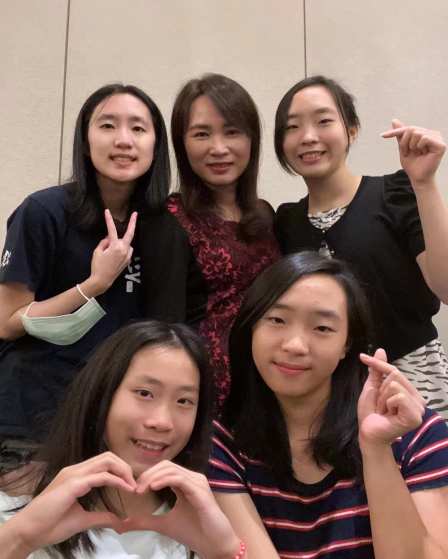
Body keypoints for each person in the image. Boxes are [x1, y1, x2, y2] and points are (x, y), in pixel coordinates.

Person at [207, 252, 448, 559]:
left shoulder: (417, 434)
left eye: (322, 328)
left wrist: (376, 451)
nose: (294, 345)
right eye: (277, 320)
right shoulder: (224, 444)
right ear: (251, 326)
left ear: (347, 343)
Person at [0, 84, 171, 458]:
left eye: (138, 128)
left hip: (112, 420)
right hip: (33, 416)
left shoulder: (162, 224)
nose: (123, 139)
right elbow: (7, 322)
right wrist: (95, 284)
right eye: (107, 125)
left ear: (156, 146)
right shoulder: (43, 211)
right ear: (85, 142)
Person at [273, 75, 448, 420]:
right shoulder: (286, 223)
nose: (308, 137)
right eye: (292, 127)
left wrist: (424, 183)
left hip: (415, 384)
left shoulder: (395, 193)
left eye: (323, 121)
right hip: (331, 397)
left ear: (351, 130)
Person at [0, 320, 246, 559]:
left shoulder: (204, 524)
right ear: (100, 395)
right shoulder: (21, 515)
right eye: (144, 393)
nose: (162, 422)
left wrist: (225, 554)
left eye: (184, 401)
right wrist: (19, 539)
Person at [140, 73, 281, 408]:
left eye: (232, 132)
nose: (219, 148)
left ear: (252, 139)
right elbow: (163, 328)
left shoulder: (264, 215)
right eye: (201, 134)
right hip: (205, 396)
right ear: (182, 143)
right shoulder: (168, 219)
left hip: (269, 389)